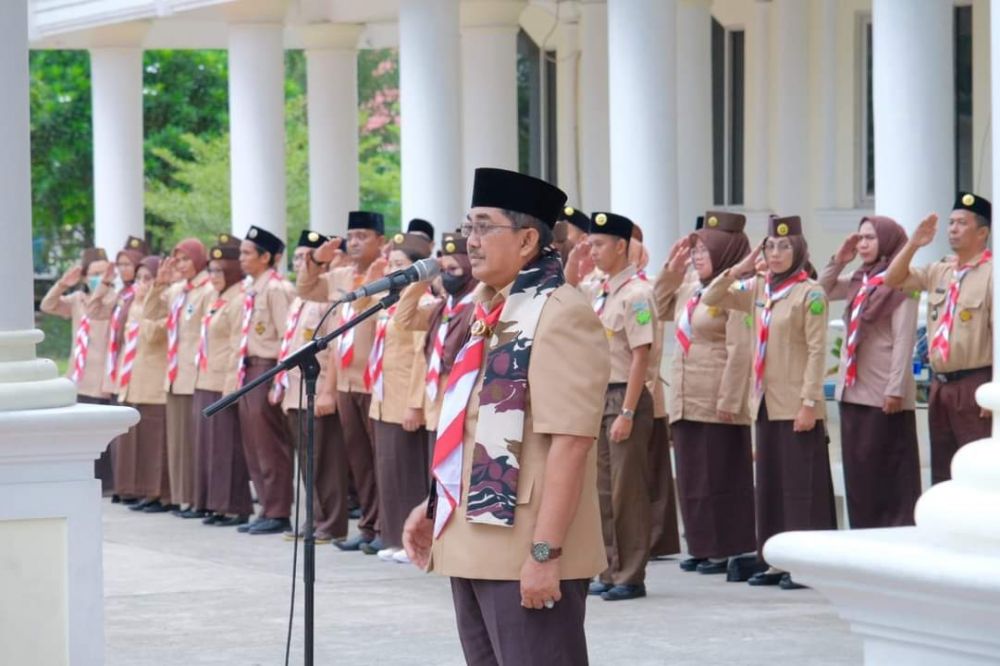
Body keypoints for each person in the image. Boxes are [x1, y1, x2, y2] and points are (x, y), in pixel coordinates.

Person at [402, 168, 609, 665]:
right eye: (468, 227)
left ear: (527, 239)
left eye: (483, 227)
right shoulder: (490, 310)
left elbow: (572, 442)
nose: (469, 242)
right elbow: (470, 424)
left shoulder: (560, 313)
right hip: (472, 541)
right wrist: (434, 506)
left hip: (525, 548)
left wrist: (545, 555)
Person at [702, 214, 835, 590]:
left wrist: (810, 402)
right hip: (764, 403)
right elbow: (712, 296)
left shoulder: (809, 294)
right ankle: (775, 559)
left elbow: (816, 352)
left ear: (799, 251)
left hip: (796, 404)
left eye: (784, 246)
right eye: (770, 246)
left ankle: (805, 564)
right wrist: (742, 266)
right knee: (772, 487)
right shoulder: (759, 289)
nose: (776, 253)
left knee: (800, 488)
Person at [653, 212, 756, 575]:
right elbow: (657, 305)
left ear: (725, 252)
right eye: (694, 250)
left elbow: (740, 348)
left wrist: (730, 398)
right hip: (686, 393)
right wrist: (671, 270)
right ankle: (700, 544)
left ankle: (726, 546)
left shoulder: (738, 290)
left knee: (721, 476)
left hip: (715, 395)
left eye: (703, 250)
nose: (697, 257)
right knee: (694, 476)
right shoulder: (691, 288)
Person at [885, 193, 993, 484]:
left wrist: (994, 391)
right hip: (940, 385)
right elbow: (892, 279)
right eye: (950, 223)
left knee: (976, 467)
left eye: (961, 223)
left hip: (975, 384)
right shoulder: (939, 270)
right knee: (943, 471)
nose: (952, 229)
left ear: (982, 232)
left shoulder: (992, 274)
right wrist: (914, 244)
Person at [820, 217, 921, 527]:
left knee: (889, 472)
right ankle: (864, 534)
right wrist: (838, 259)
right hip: (852, 388)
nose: (863, 244)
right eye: (860, 237)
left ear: (888, 242)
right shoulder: (858, 279)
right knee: (859, 473)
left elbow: (904, 339)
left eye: (870, 239)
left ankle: (895, 535)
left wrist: (895, 389)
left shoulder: (902, 281)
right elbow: (820, 291)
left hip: (883, 394)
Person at [577, 212, 656, 602]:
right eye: (591, 244)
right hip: (599, 395)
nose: (592, 252)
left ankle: (631, 574)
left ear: (621, 246)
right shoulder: (602, 291)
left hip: (626, 395)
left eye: (598, 244)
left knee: (628, 491)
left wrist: (626, 412)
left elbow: (641, 355)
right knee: (603, 490)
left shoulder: (637, 294)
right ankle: (608, 567)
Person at [300, 211, 386, 551]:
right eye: (351, 235)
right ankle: (368, 526)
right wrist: (315, 259)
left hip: (375, 381)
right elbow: (306, 288)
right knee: (359, 460)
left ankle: (386, 527)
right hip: (347, 381)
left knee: (382, 459)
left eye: (363, 235)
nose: (355, 241)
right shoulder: (339, 276)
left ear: (381, 240)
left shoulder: (390, 274)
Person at [273, 229, 349, 544]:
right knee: (307, 462)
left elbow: (333, 350)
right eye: (301, 257)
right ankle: (313, 518)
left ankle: (330, 523)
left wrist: (328, 391)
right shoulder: (302, 300)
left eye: (310, 257)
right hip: (294, 391)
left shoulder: (328, 299)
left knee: (325, 462)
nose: (304, 263)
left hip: (317, 389)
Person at [367, 231, 436, 562]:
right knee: (388, 471)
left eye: (399, 264)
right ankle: (392, 537)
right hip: (382, 398)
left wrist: (414, 404)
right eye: (389, 264)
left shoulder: (423, 303)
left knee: (405, 471)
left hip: (403, 401)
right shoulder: (389, 302)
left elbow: (421, 359)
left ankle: (410, 541)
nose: (391, 270)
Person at [232, 225, 295, 535]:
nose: (241, 258)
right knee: (254, 444)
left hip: (267, 368)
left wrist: (280, 379)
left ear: (266, 256)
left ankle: (279, 510)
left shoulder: (276, 289)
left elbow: (287, 336)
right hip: (249, 370)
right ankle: (266, 507)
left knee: (270, 444)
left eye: (247, 253)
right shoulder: (253, 287)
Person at [144, 238, 213, 517]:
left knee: (192, 443)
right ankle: (182, 497)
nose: (181, 265)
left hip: (193, 374)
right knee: (177, 444)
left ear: (199, 260)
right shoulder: (176, 291)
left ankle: (197, 499)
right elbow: (150, 318)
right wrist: (158, 284)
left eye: (185, 259)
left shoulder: (207, 290)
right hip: (173, 375)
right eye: (177, 260)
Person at [40, 246, 118, 490]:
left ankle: (107, 481)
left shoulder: (113, 300)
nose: (98, 277)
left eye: (104, 272)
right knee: (81, 430)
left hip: (101, 374)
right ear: (85, 277)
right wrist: (63, 284)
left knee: (102, 431)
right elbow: (48, 305)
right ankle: (84, 477)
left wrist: (105, 286)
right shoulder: (77, 300)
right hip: (79, 374)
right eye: (94, 273)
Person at [394, 232, 479, 449]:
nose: (447, 276)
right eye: (444, 270)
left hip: (461, 410)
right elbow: (404, 318)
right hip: (435, 409)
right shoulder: (442, 308)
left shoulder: (477, 308)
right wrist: (426, 278)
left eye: (454, 270)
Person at [193, 235, 254, 527]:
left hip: (223, 383)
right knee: (211, 448)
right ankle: (214, 503)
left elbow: (236, 346)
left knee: (227, 448)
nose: (214, 276)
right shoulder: (217, 299)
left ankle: (233, 505)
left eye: (219, 270)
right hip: (205, 378)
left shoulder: (239, 300)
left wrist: (231, 389)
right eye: (211, 270)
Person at [114, 255, 172, 512]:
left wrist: (151, 298)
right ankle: (137, 489)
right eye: (138, 279)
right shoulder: (131, 305)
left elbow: (153, 334)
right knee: (136, 442)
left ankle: (158, 494)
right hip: (132, 379)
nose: (141, 284)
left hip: (154, 382)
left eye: (147, 278)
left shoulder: (164, 301)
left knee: (155, 443)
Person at [95, 235, 150, 503]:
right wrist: (105, 281)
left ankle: (132, 487)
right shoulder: (120, 294)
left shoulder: (142, 294)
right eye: (120, 264)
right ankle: (123, 486)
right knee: (121, 434)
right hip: (119, 367)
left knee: (135, 433)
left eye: (128, 264)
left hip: (136, 368)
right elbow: (95, 311)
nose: (123, 269)